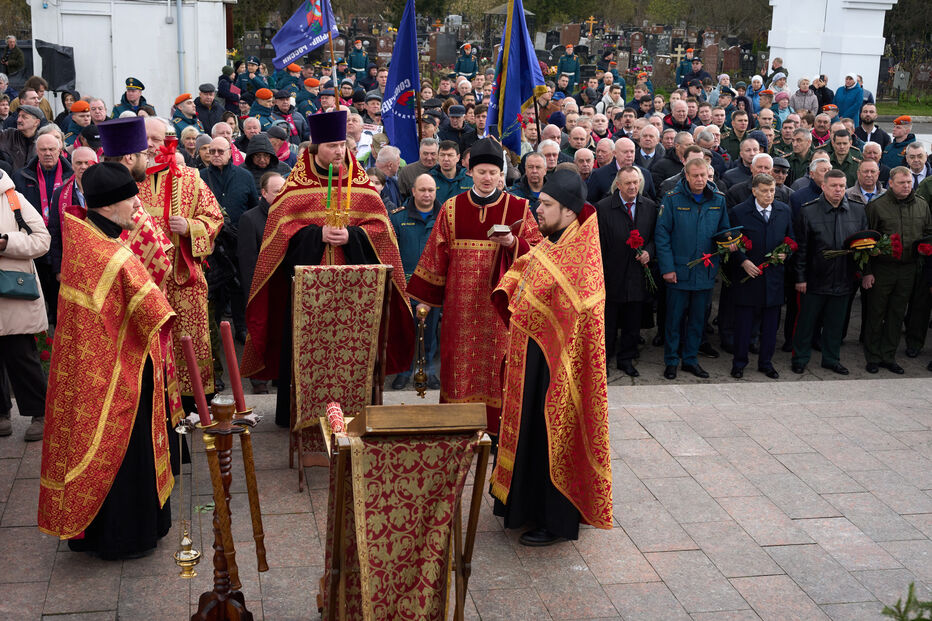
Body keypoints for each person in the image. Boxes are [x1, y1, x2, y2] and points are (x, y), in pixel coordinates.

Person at [240, 110, 414, 427]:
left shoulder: (361, 188)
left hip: (356, 294)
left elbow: (383, 234)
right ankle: (304, 415)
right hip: (308, 296)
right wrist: (314, 234)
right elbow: (278, 242)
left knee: (355, 356)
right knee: (307, 357)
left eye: (342, 146)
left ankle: (357, 413)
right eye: (332, 145)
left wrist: (353, 235)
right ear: (315, 147)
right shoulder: (294, 191)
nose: (338, 152)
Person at [38, 162, 175, 559]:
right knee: (121, 448)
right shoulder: (105, 252)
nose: (138, 206)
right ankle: (124, 534)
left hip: (110, 361)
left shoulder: (87, 235)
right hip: (114, 370)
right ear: (110, 205)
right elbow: (153, 307)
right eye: (132, 199)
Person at [489, 167, 611, 546]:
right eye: (539, 202)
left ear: (570, 210)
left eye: (545, 205)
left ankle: (555, 518)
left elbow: (575, 311)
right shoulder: (556, 241)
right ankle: (522, 505)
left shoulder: (581, 256)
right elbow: (527, 270)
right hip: (534, 358)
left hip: (559, 369)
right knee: (529, 431)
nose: (536, 211)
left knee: (550, 437)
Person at [406, 138, 541, 434]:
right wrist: (425, 299)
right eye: (481, 171)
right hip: (461, 310)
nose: (487, 178)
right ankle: (457, 428)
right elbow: (436, 255)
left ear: (500, 174)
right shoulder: (452, 208)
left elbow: (538, 251)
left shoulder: (518, 208)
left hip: (499, 310)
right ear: (470, 171)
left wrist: (513, 244)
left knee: (497, 369)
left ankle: (497, 432)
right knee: (458, 366)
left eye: (493, 172)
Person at [137, 117, 224, 398]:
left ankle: (192, 400)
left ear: (168, 142)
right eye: (146, 139)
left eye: (157, 140)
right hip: (141, 281)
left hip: (182, 279)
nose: (151, 146)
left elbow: (214, 218)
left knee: (188, 340)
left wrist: (190, 227)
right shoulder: (127, 178)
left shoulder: (189, 178)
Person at [655, 158, 730, 380]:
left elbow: (723, 230)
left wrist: (729, 243)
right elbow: (662, 235)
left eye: (704, 175)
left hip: (704, 272)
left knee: (698, 320)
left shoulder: (718, 200)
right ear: (686, 176)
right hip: (678, 271)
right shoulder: (672, 199)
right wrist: (667, 268)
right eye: (695, 175)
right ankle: (671, 361)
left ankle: (690, 360)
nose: (700, 179)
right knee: (674, 319)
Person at [791, 170, 868, 375]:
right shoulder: (808, 211)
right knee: (807, 323)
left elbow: (863, 247)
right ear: (823, 186)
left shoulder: (858, 211)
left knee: (836, 324)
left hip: (844, 278)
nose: (838, 190)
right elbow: (802, 250)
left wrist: (861, 273)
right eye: (834, 186)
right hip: (815, 279)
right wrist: (800, 278)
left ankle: (831, 359)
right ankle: (800, 358)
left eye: (842, 186)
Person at [862, 166, 932, 374]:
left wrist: (925, 246)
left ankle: (888, 355)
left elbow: (928, 232)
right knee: (876, 312)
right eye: (902, 183)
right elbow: (866, 241)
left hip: (909, 269)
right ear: (891, 183)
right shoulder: (877, 206)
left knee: (897, 313)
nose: (906, 186)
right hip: (883, 268)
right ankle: (873, 356)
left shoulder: (921, 205)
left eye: (909, 182)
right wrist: (867, 271)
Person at [727, 174, 794, 379]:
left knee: (771, 325)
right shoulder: (739, 212)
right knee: (744, 325)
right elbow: (730, 242)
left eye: (772, 190)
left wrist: (786, 253)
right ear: (754, 191)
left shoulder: (784, 210)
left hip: (773, 278)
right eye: (764, 191)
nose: (769, 195)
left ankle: (766, 362)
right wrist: (743, 261)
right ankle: (739, 362)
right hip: (748, 277)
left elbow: (791, 239)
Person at [0, 167, 49, 442]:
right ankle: (1, 414)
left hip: (13, 294)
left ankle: (39, 412)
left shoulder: (13, 198)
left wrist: (6, 242)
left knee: (21, 355)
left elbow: (42, 240)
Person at [596, 165, 656, 376]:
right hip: (612, 274)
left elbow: (654, 238)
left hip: (637, 275)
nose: (632, 187)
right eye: (628, 183)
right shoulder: (603, 208)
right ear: (618, 185)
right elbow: (599, 243)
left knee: (633, 322)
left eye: (636, 182)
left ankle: (626, 359)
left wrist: (648, 251)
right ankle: (603, 362)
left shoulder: (649, 206)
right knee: (609, 323)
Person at [12, 132, 73, 324]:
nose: (48, 153)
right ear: (36, 151)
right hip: (34, 247)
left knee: (60, 304)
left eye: (52, 149)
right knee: (36, 301)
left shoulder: (71, 176)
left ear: (60, 151)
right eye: (43, 150)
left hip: (63, 248)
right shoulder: (21, 177)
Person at [389, 173, 442, 390]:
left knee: (429, 333)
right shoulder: (398, 218)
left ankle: (428, 371)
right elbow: (392, 254)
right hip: (405, 286)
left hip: (433, 286)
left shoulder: (444, 217)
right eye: (422, 190)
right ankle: (404, 371)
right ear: (413, 191)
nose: (427, 194)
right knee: (406, 332)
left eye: (431, 190)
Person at [237, 171, 284, 395]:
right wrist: (251, 293)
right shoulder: (250, 218)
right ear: (263, 193)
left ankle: (278, 375)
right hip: (261, 289)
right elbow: (247, 262)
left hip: (283, 288)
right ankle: (259, 380)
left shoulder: (289, 216)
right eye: (276, 191)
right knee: (259, 335)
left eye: (284, 190)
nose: (281, 195)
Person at [48, 146, 96, 277]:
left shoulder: (105, 190)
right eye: (79, 163)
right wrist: (58, 269)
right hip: (71, 261)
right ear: (72, 166)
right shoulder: (60, 193)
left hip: (100, 258)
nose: (83, 166)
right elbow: (55, 230)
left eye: (88, 163)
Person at [429, 140, 472, 204]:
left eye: (450, 155)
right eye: (442, 155)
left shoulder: (469, 180)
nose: (446, 159)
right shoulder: (430, 180)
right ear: (437, 157)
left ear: (458, 157)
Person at [0, 104, 42, 170]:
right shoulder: (8, 135)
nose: (18, 120)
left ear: (36, 122)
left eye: (24, 117)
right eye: (18, 116)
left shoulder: (42, 141)